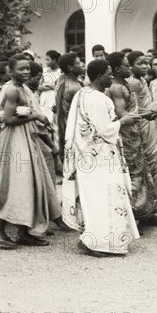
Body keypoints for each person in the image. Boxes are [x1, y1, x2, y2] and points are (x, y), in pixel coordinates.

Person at [62, 59, 141, 257]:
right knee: (104, 197)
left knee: (95, 198)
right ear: (99, 76)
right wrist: (123, 121)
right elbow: (105, 130)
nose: (112, 77)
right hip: (100, 157)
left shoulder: (83, 93)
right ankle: (97, 243)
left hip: (88, 155)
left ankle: (97, 240)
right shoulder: (96, 98)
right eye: (108, 74)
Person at [0, 56, 61, 249]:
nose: (26, 72)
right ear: (11, 72)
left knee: (33, 184)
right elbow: (8, 120)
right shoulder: (11, 89)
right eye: (21, 70)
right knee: (20, 186)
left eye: (28, 69)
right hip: (15, 140)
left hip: (26, 138)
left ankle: (23, 232)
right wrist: (34, 115)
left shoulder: (22, 88)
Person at [108, 52, 157, 226]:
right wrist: (149, 113)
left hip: (135, 134)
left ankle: (146, 214)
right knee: (132, 177)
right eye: (127, 65)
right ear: (118, 69)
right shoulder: (115, 88)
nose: (129, 68)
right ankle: (130, 219)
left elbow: (135, 111)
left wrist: (151, 112)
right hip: (126, 137)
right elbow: (123, 115)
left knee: (144, 174)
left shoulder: (125, 84)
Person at [55, 53, 84, 154]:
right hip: (75, 128)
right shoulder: (73, 87)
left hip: (67, 126)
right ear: (70, 67)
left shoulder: (64, 81)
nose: (82, 65)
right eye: (78, 63)